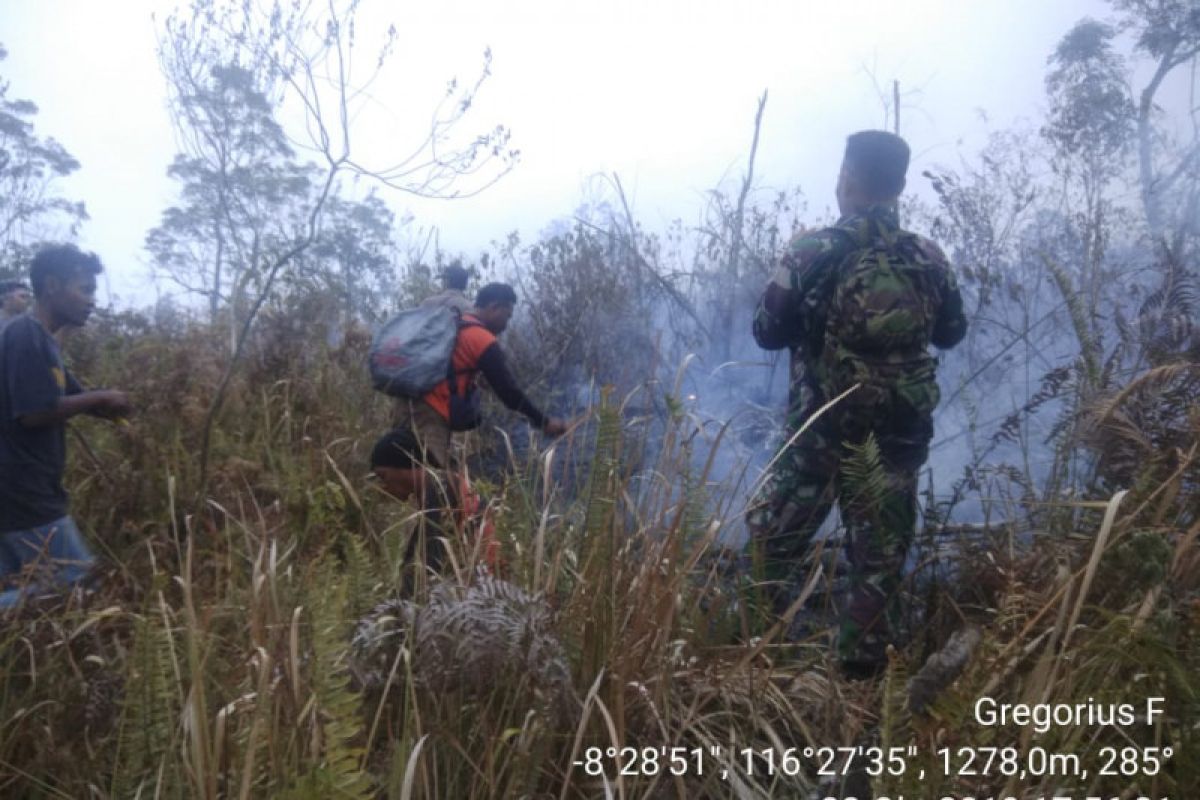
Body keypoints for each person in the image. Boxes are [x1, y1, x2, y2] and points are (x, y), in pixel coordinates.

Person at [747, 130, 967, 676]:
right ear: (899, 186)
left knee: (773, 543)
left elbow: (766, 333)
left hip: (820, 428)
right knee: (879, 558)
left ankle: (752, 652)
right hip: (896, 432)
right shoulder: (928, 256)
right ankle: (863, 679)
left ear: (846, 175)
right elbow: (952, 334)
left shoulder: (812, 250)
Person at [0, 245, 132, 608]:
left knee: (20, 585)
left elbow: (74, 397)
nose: (92, 301)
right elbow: (33, 412)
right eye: (85, 289)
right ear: (52, 285)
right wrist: (99, 398)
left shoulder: (43, 342)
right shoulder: (25, 334)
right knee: (77, 582)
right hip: (23, 490)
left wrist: (108, 405)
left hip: (22, 487)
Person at [397, 282, 568, 474]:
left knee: (410, 469)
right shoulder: (481, 338)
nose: (506, 324)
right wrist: (544, 421)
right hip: (430, 415)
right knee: (437, 481)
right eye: (507, 316)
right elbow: (508, 391)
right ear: (494, 307)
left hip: (409, 404)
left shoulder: (459, 323)